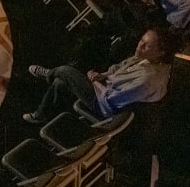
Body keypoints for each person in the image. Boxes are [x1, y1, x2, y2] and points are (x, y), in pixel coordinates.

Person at [22, 26, 177, 124]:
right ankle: (41, 114)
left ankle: (48, 73)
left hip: (104, 106)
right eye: (142, 40)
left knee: (65, 71)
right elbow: (119, 68)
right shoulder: (147, 58)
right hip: (104, 88)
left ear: (160, 52)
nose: (140, 46)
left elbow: (112, 101)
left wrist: (94, 81)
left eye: (146, 45)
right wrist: (103, 75)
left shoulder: (147, 80)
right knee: (60, 83)